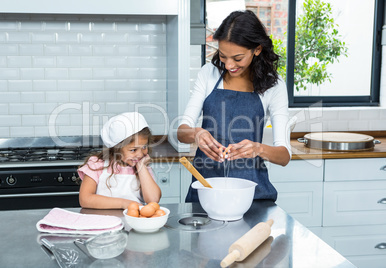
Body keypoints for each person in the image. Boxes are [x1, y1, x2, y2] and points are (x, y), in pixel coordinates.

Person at [177, 10, 292, 203]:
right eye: (223, 56)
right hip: (206, 191)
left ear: (257, 49)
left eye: (237, 58)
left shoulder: (274, 85)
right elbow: (181, 132)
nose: (229, 65)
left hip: (252, 195)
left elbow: (284, 156)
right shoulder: (208, 74)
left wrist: (257, 149)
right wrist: (196, 133)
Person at [78, 112, 161, 209]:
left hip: (133, 222)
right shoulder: (97, 165)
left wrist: (141, 168)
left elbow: (153, 199)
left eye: (144, 147)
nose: (140, 154)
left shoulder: (142, 167)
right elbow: (85, 199)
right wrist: (124, 204)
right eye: (133, 150)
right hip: (102, 221)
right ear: (117, 149)